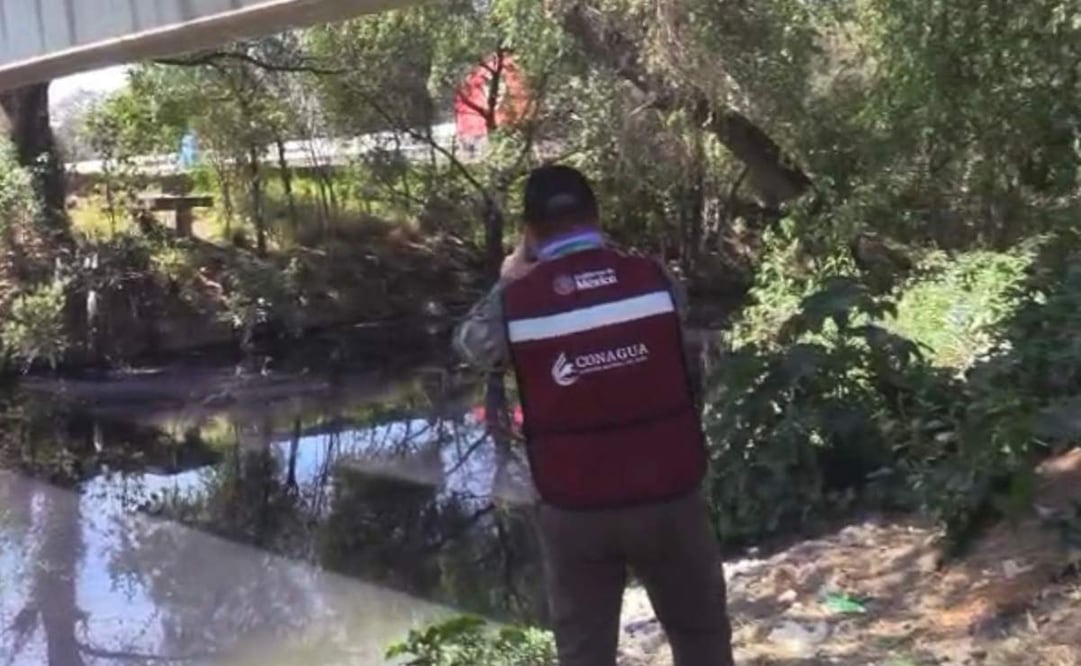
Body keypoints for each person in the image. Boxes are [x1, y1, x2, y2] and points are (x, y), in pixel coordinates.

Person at [454, 165, 735, 666]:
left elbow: (473, 347)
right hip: (670, 493)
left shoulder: (516, 301)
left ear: (531, 232)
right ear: (597, 216)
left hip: (575, 504)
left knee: (585, 653)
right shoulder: (656, 279)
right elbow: (675, 314)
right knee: (702, 638)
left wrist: (511, 276)